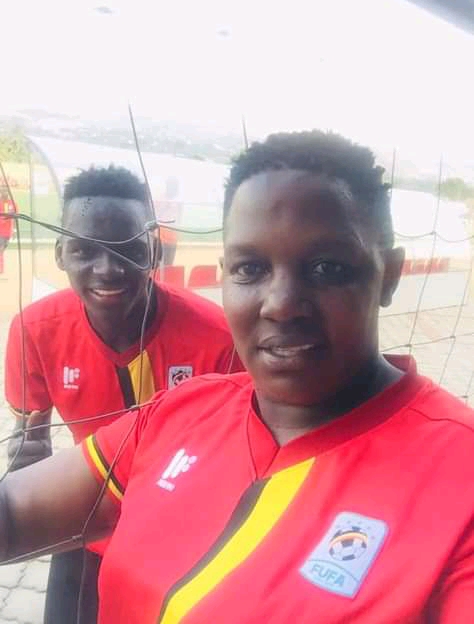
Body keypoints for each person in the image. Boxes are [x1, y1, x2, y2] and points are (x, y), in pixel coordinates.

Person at [1, 130, 474, 623]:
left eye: (327, 268)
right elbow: (15, 507)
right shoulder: (181, 410)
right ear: (226, 273)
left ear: (389, 275)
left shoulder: (458, 481)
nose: (281, 304)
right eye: (250, 269)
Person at [3, 165, 240, 624]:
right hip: (84, 518)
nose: (107, 269)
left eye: (127, 249)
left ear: (154, 251)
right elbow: (30, 438)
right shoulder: (33, 330)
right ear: (59, 254)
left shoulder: (218, 336)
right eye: (84, 250)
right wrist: (25, 459)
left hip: (183, 523)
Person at [0, 185, 17, 275]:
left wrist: (14, 230)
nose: (5, 193)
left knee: (2, 249)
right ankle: (1, 268)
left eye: (6, 191)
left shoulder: (12, 203)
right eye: (3, 191)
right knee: (1, 249)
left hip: (7, 232)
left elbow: (15, 217)